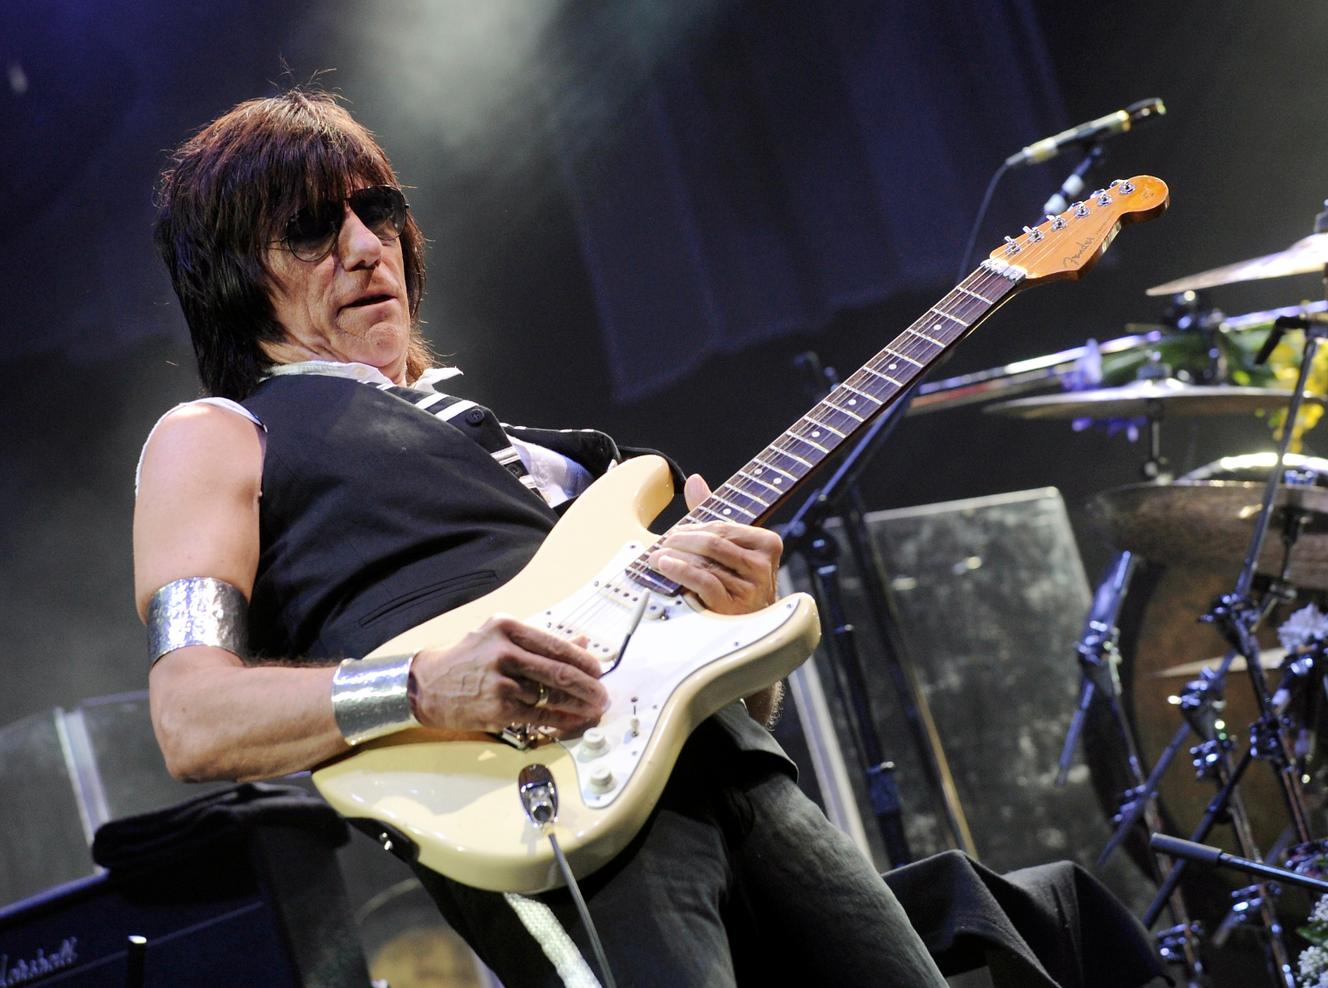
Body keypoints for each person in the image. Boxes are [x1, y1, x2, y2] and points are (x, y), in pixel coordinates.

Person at [133, 88, 951, 987]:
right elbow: (190, 719)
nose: (368, 248)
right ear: (234, 275)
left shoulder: (558, 464)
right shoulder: (215, 435)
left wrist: (735, 626)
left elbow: (686, 690)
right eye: (310, 229)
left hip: (748, 782)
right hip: (543, 817)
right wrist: (421, 687)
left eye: (380, 212)